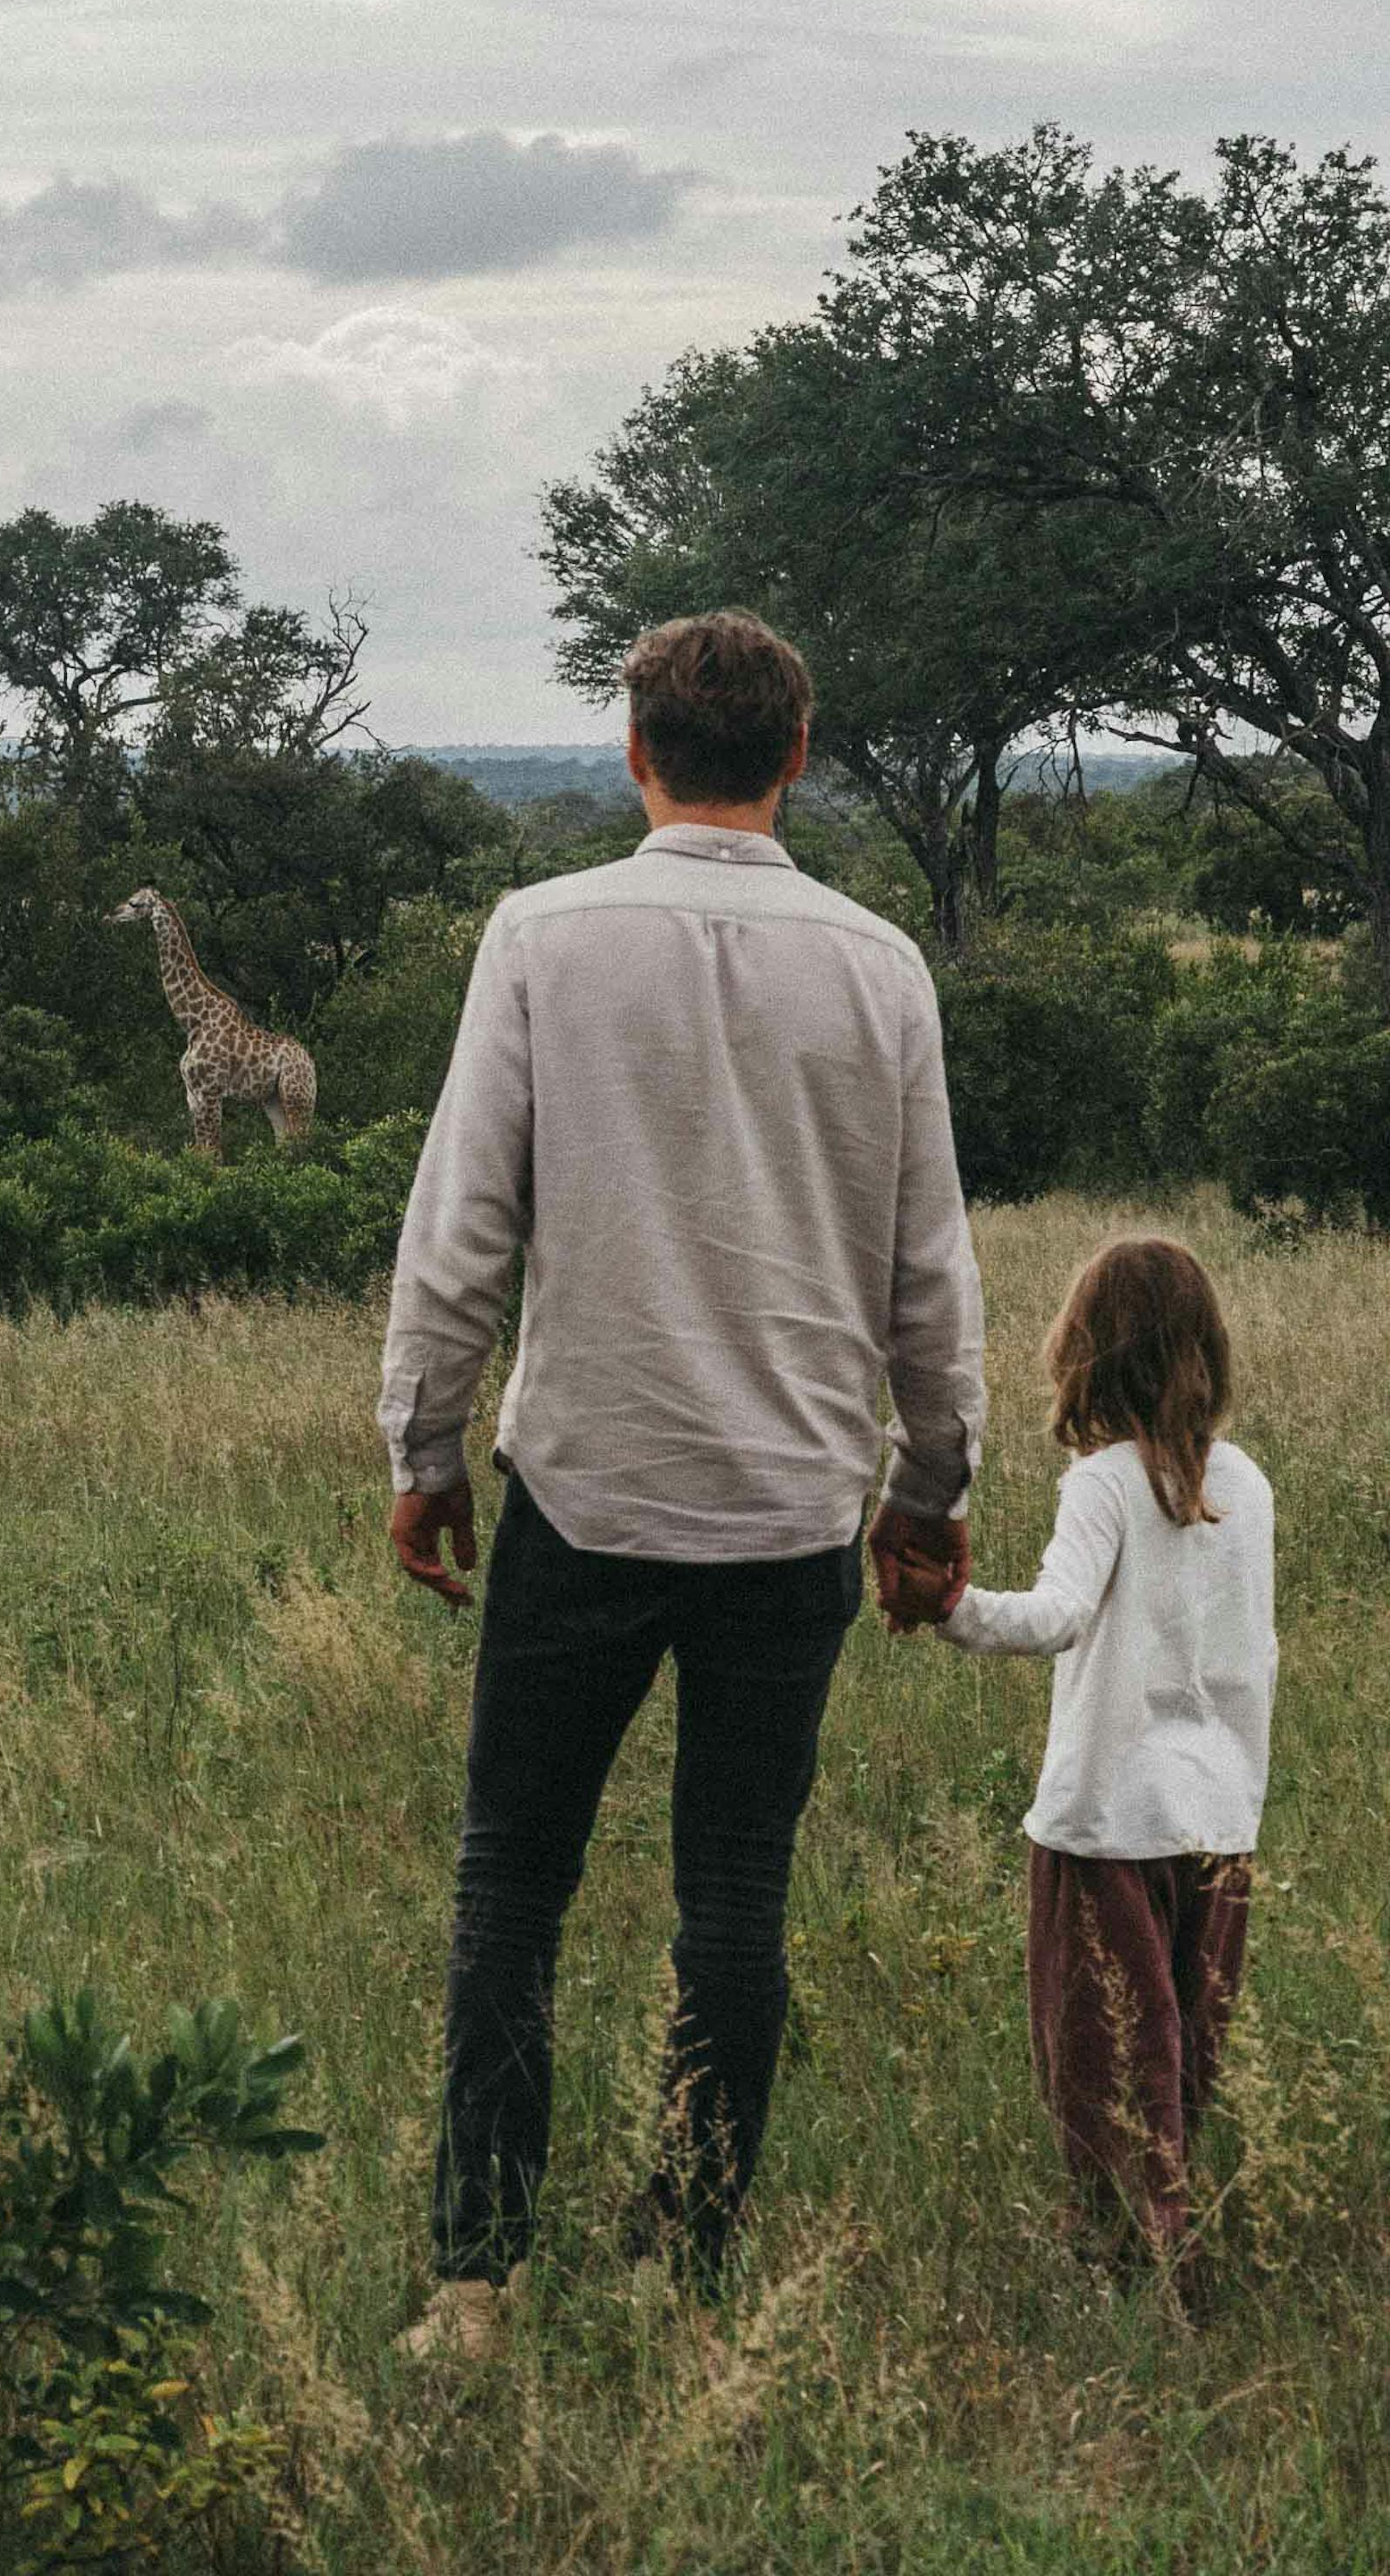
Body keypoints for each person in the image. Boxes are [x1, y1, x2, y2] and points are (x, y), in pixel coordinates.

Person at [379, 610, 985, 2360]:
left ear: (636, 750)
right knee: (734, 1891)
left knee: (514, 1883)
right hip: (795, 1504)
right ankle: (680, 2272)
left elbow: (460, 1231)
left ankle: (475, 2281)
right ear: (795, 756)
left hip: (581, 1484)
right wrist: (930, 1490)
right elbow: (928, 1273)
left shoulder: (541, 938)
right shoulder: (882, 966)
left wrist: (424, 1449)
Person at [898, 1238, 1276, 2268]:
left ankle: (1137, 2246)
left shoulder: (1105, 1481)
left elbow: (1057, 1614)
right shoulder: (1249, 1481)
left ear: (1092, 1351)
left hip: (1110, 1814)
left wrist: (948, 1607)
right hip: (1221, 1815)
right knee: (1183, 2048)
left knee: (1105, 2048)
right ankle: (1162, 2220)